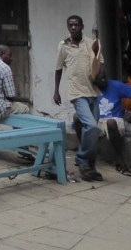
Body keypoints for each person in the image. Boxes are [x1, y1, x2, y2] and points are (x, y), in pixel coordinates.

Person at [53, 14, 105, 182]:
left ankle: (90, 167)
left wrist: (99, 76)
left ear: (82, 26)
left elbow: (100, 64)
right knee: (92, 127)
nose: (73, 28)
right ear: (68, 27)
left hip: (93, 92)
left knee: (92, 132)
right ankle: (81, 159)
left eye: (76, 25)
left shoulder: (91, 43)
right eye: (70, 25)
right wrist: (56, 90)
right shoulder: (63, 46)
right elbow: (58, 68)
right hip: (77, 93)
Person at [73, 74, 131, 176]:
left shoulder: (116, 85)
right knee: (77, 117)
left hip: (114, 119)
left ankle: (121, 162)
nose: (102, 81)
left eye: (104, 78)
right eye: (99, 79)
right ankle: (85, 156)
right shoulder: (90, 89)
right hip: (97, 120)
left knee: (111, 123)